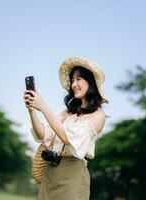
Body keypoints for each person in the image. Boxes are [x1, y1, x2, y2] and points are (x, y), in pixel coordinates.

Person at [24, 56, 109, 200]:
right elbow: (42, 135)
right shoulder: (67, 113)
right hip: (50, 171)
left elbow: (67, 138)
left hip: (72, 174)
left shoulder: (98, 116)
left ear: (91, 82)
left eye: (79, 79)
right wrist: (32, 109)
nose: (74, 84)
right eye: (72, 80)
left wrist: (43, 107)